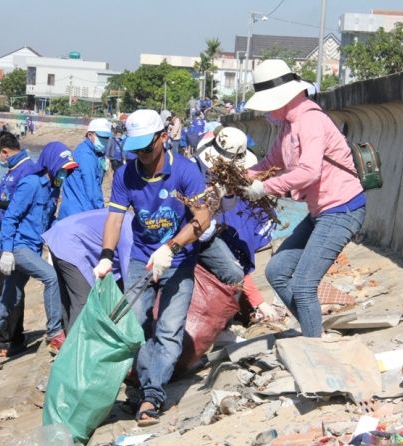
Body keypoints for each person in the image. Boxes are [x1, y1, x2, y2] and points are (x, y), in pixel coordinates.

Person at [93, 109, 211, 426]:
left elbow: (203, 218)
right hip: (140, 259)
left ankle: (150, 396)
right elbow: (115, 218)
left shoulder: (185, 172)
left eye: (147, 146)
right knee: (132, 325)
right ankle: (148, 382)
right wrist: (106, 255)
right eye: (136, 148)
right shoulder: (125, 175)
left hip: (179, 260)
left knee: (169, 330)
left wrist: (171, 248)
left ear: (163, 138)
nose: (142, 155)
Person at [241, 59, 366, 338]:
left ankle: (314, 348)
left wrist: (265, 188)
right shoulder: (288, 126)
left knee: (304, 284)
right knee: (277, 272)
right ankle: (312, 330)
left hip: (342, 210)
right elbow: (270, 163)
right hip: (318, 213)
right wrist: (242, 177)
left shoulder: (310, 121)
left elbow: (309, 172)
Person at [0, 142, 78, 371]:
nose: (64, 174)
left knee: (7, 301)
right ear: (50, 164)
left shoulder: (53, 188)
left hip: (33, 247)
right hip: (18, 247)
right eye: (62, 169)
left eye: (67, 171)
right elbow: (10, 217)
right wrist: (7, 250)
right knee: (51, 278)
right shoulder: (30, 184)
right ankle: (55, 332)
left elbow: (47, 220)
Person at [193, 127, 278, 319]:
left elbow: (226, 207)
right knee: (232, 271)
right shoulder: (195, 173)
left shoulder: (229, 187)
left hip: (208, 235)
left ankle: (226, 320)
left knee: (234, 271)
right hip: (190, 234)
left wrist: (226, 192)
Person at [0, 131, 38, 356]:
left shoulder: (26, 171)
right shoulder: (15, 170)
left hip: (14, 240)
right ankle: (7, 336)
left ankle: (11, 339)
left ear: (4, 152)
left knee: (8, 290)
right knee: (0, 287)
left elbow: (16, 206)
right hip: (3, 235)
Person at [42, 209, 133, 333]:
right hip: (69, 241)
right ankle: (78, 348)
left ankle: (72, 342)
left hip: (62, 234)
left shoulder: (129, 219)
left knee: (69, 300)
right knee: (84, 301)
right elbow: (130, 276)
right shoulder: (129, 228)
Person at [58, 118, 111, 219]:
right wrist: (101, 211)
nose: (105, 141)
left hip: (73, 208)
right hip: (80, 212)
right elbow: (92, 189)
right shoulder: (86, 156)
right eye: (102, 137)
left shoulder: (91, 152)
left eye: (107, 138)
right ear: (90, 135)